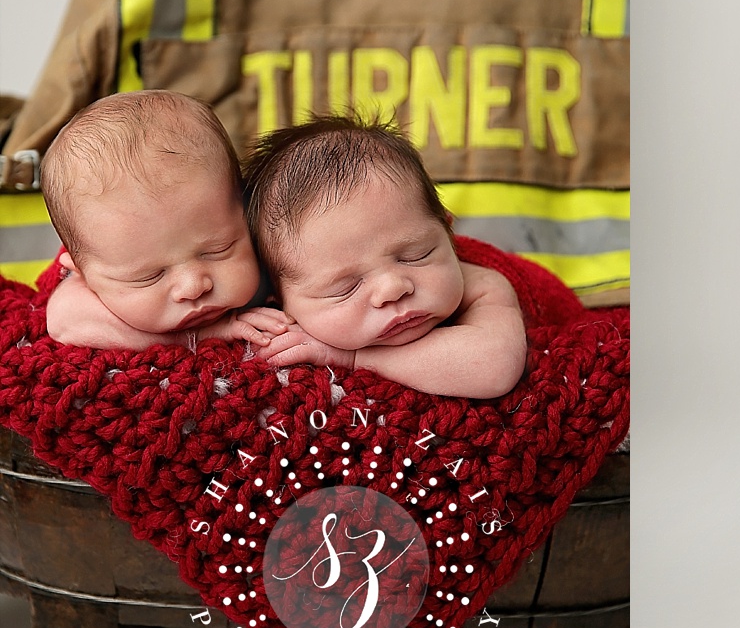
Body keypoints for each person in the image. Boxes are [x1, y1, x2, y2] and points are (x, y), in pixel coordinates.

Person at [242, 114, 526, 399]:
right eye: (346, 287)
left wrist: (352, 358)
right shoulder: (271, 319)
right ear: (278, 300)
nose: (392, 288)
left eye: (416, 256)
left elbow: (494, 369)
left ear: (448, 232)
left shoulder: (484, 285)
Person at [40, 90, 287, 350]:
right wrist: (204, 335)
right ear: (82, 272)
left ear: (246, 213)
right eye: (149, 276)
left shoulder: (271, 249)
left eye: (217, 250)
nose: (193, 287)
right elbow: (64, 322)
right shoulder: (84, 285)